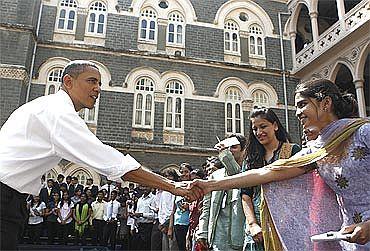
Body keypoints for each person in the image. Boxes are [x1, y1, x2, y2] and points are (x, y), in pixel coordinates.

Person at [0, 60, 200, 250]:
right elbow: (113, 163)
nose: (98, 88)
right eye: (91, 81)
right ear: (68, 81)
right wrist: (172, 186)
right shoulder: (57, 113)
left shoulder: (47, 106)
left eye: (100, 83)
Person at [191, 79, 370, 250]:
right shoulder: (316, 151)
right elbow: (267, 172)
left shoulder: (363, 133)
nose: (297, 113)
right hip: (351, 235)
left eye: (302, 104)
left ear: (326, 103)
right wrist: (210, 185)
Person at [241, 107, 300, 251]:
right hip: (258, 229)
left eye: (263, 126)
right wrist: (252, 224)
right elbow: (245, 195)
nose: (259, 132)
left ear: (275, 125)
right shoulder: (250, 159)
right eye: (255, 129)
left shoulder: (292, 151)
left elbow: (302, 189)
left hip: (288, 223)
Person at [195, 135, 247, 251]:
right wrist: (203, 232)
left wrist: (225, 156)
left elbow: (237, 177)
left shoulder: (248, 173)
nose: (229, 151)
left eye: (233, 147)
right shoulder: (215, 176)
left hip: (240, 239)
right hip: (217, 239)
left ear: (244, 150)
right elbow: (207, 207)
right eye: (227, 148)